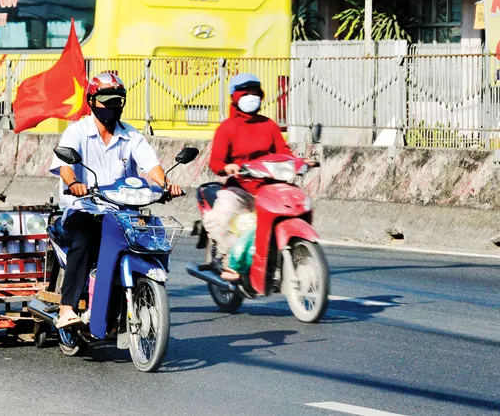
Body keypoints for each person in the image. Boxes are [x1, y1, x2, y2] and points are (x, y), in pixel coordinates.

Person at [49, 72, 182, 328]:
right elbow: (65, 165)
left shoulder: (131, 136)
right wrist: (74, 184)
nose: (111, 107)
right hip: (85, 208)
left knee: (148, 237)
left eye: (117, 101)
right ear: (92, 101)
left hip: (122, 212)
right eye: (106, 101)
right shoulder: (77, 132)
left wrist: (165, 186)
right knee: (85, 239)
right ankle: (67, 308)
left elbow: (151, 166)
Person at [203, 73, 307, 281]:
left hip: (269, 188)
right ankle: (229, 261)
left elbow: (284, 151)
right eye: (246, 93)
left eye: (255, 93)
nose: (251, 97)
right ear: (235, 97)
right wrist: (227, 167)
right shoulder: (227, 128)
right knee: (218, 218)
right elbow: (216, 162)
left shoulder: (268, 125)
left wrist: (300, 161)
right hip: (239, 189)